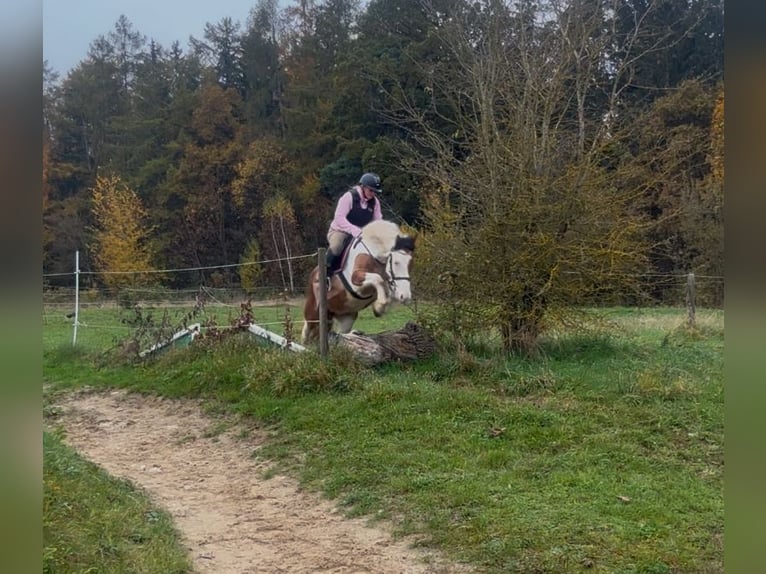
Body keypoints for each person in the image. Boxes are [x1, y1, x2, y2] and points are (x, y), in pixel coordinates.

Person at [325, 172, 383, 277]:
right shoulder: (349, 197)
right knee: (337, 246)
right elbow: (339, 218)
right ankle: (325, 273)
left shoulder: (375, 202)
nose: (373, 194)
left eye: (375, 191)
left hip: (361, 234)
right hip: (340, 231)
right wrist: (353, 230)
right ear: (363, 187)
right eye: (371, 190)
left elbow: (377, 221)